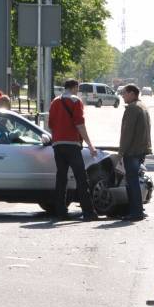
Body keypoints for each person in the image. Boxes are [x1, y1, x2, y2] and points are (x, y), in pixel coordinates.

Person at [48, 79, 99, 221]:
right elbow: (80, 124)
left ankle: (61, 211)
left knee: (61, 178)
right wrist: (90, 145)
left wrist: (56, 138)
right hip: (72, 144)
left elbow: (51, 124)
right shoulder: (76, 101)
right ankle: (88, 212)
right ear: (75, 87)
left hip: (58, 145)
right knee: (81, 178)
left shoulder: (55, 102)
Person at [118, 84, 152, 221]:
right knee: (134, 180)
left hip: (132, 151)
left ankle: (135, 212)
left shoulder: (132, 108)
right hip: (141, 149)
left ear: (132, 93)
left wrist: (121, 152)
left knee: (132, 181)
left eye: (124, 93)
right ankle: (138, 210)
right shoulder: (142, 106)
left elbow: (127, 132)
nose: (122, 96)